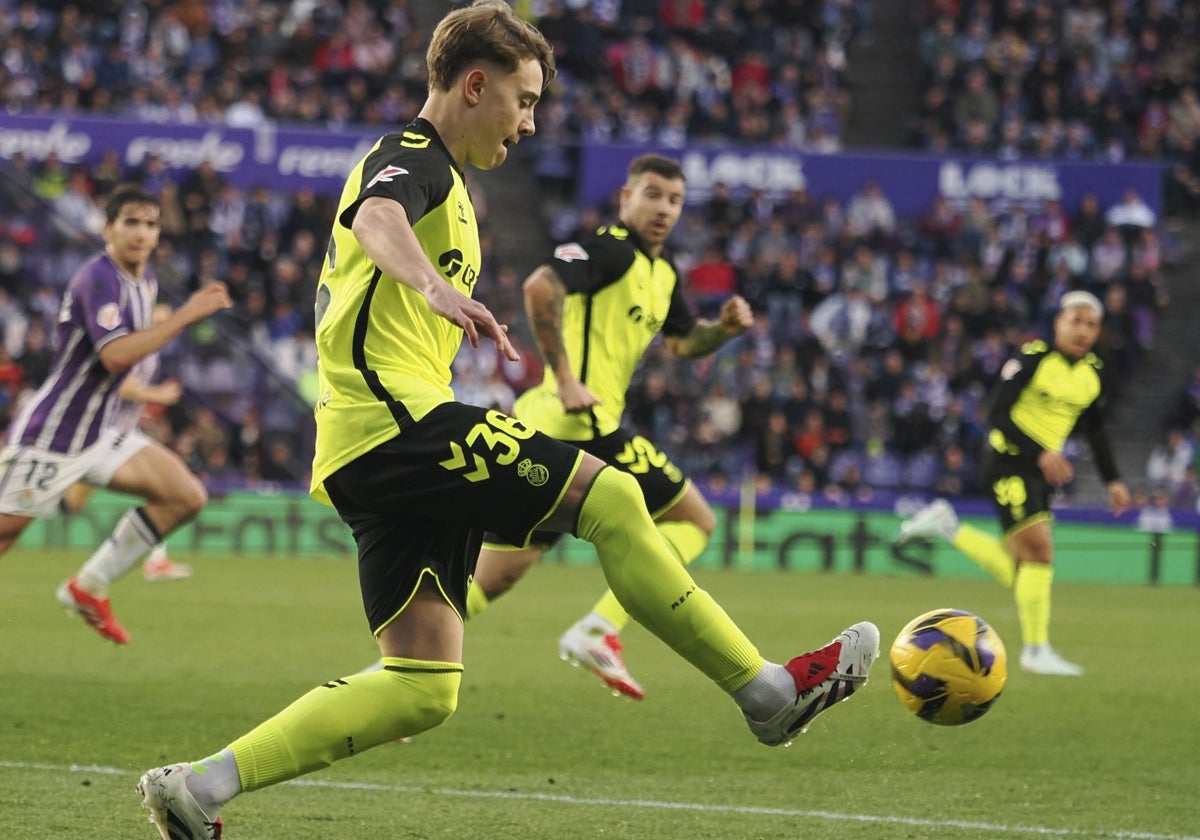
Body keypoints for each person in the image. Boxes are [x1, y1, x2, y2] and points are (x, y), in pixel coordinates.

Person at [135, 5, 878, 837]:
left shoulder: (447, 184)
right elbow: (376, 221)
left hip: (363, 444)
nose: (528, 125)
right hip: (399, 423)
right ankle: (767, 693)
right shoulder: (409, 155)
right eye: (522, 102)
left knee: (423, 685)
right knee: (615, 500)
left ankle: (198, 787)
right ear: (475, 84)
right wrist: (433, 286)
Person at [464, 152, 754, 701]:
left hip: (544, 428)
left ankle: (397, 672)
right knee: (694, 519)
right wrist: (566, 377)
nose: (663, 208)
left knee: (495, 577)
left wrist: (723, 332)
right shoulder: (609, 250)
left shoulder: (662, 275)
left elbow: (682, 343)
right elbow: (539, 287)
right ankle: (599, 628)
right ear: (626, 199)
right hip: (582, 422)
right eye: (651, 194)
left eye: (673, 200)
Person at [0, 186, 231, 645]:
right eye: (130, 222)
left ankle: (88, 586)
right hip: (55, 432)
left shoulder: (145, 282)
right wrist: (184, 316)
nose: (141, 232)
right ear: (107, 228)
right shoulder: (98, 278)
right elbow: (114, 357)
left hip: (102, 433)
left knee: (185, 495)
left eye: (149, 224)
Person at [896, 291, 1130, 676]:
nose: (1082, 330)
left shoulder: (1094, 374)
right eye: (1075, 320)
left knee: (1020, 568)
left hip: (1039, 470)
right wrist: (1040, 451)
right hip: (1008, 461)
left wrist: (1113, 480)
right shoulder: (1033, 358)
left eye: (1090, 324)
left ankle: (947, 526)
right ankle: (1036, 651)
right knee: (1040, 552)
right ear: (1058, 322)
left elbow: (1096, 430)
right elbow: (997, 414)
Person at [58, 303, 194, 582]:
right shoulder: (130, 348)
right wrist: (157, 395)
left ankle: (155, 560)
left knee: (160, 491)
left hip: (118, 437)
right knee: (66, 502)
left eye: (166, 324)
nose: (161, 329)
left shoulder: (150, 355)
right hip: (101, 436)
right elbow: (122, 385)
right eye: (156, 321)